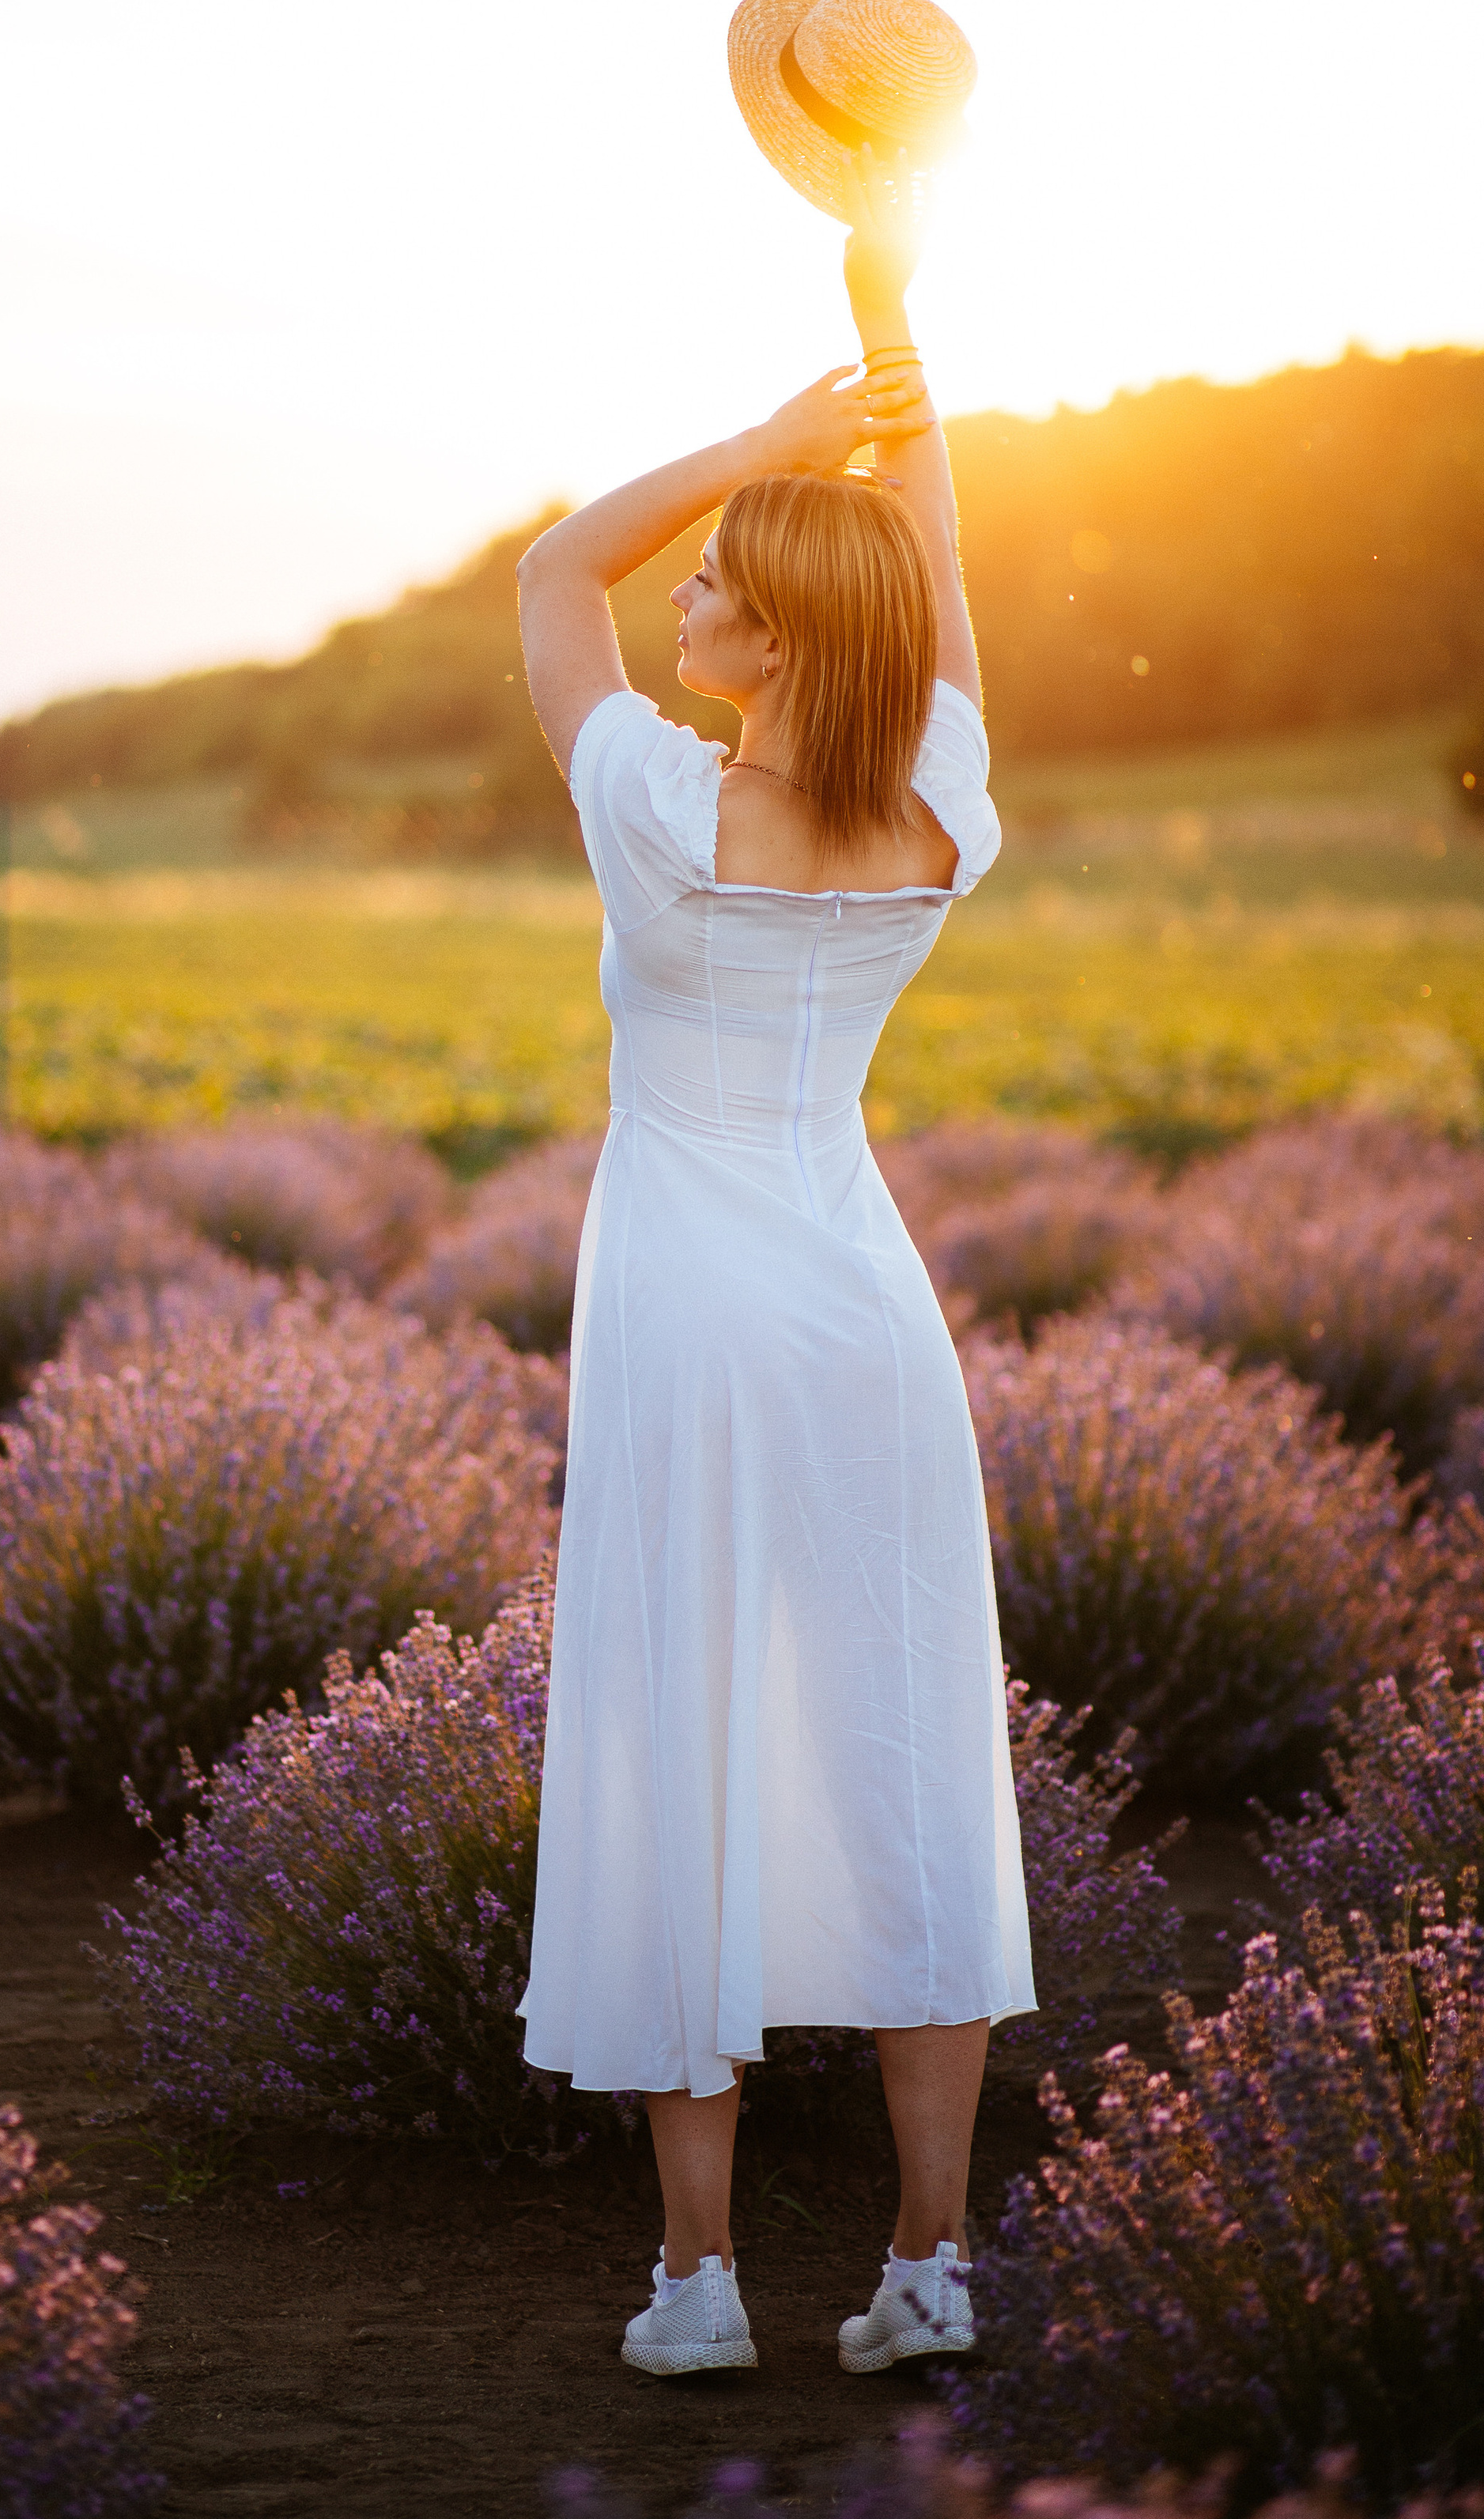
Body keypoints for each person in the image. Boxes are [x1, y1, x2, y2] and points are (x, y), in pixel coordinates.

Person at [513, 150, 1034, 2378]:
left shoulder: (653, 798)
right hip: (859, 1301)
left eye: (723, 588)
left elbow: (553, 568)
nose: (693, 605)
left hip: (684, 1318)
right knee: (910, 1748)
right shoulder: (942, 803)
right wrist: (898, 358)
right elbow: (940, 599)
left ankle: (698, 2284)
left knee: (673, 1746)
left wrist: (755, 449)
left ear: (769, 639)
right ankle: (928, 2267)